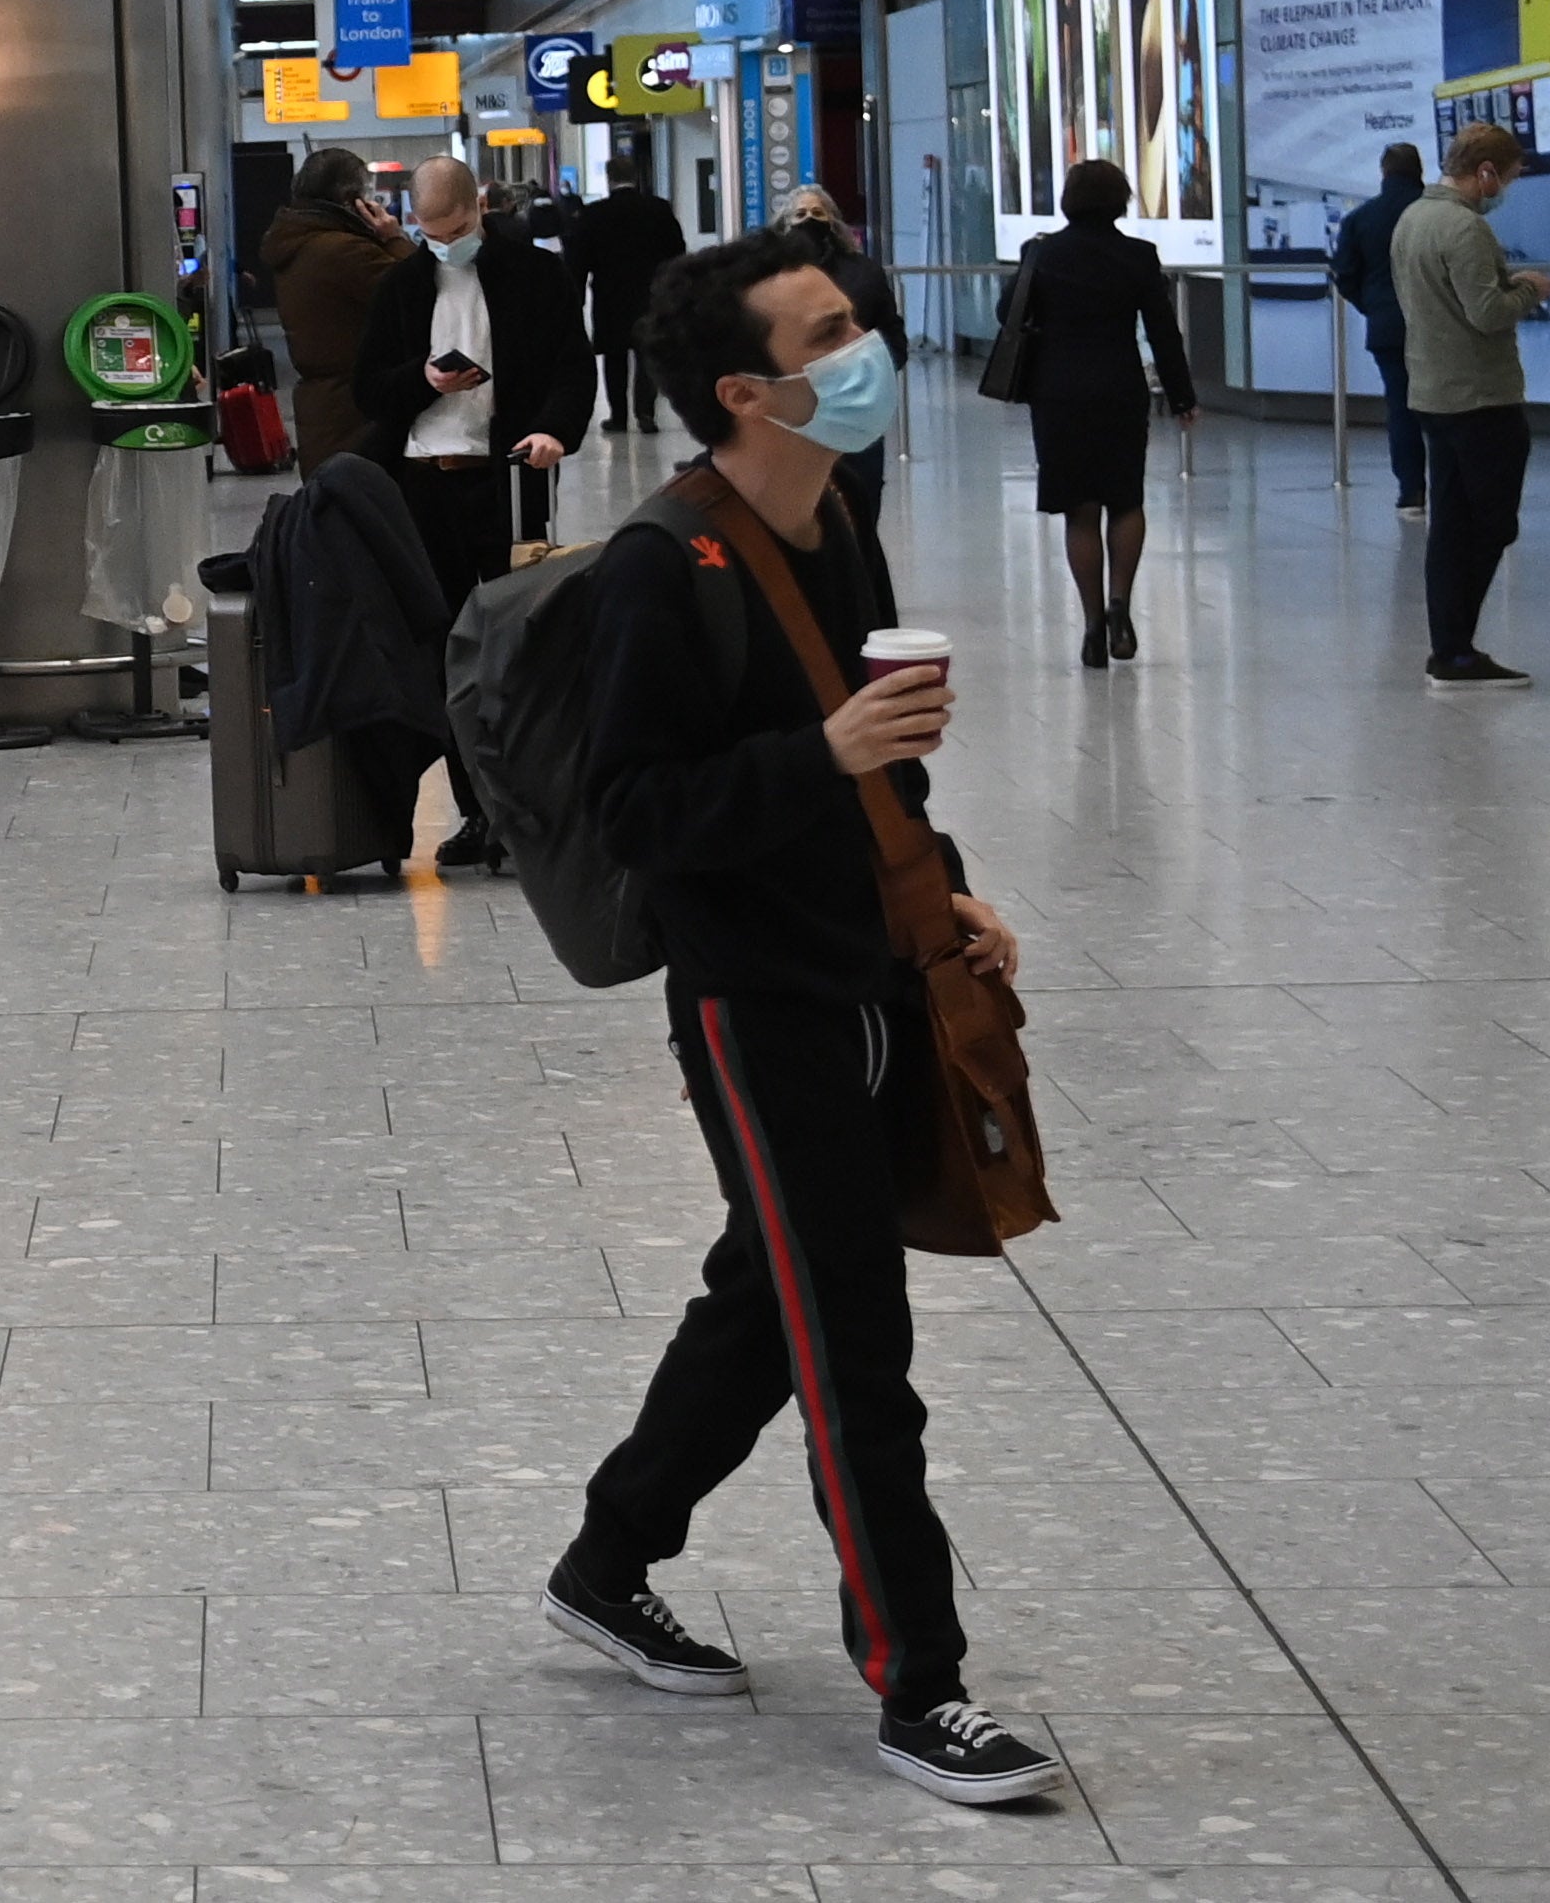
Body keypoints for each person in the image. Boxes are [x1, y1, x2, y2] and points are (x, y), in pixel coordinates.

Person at [543, 222, 1063, 1811]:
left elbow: (881, 760)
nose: (868, 349)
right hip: (756, 1005)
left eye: (860, 321)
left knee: (768, 1299)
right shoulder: (658, 566)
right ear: (744, 390)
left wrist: (943, 882)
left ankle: (606, 1554)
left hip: (877, 966)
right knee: (852, 1332)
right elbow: (634, 810)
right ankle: (924, 1681)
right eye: (830, 331)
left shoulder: (837, 521)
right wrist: (819, 757)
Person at [351, 156, 591, 869]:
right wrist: (422, 380)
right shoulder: (399, 285)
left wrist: (554, 430)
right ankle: (476, 810)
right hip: (426, 485)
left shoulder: (534, 276)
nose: (444, 242)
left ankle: (527, 807)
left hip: (509, 478)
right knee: (451, 653)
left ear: (479, 210)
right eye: (430, 231)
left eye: (455, 228)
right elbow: (369, 389)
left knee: (519, 648)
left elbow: (572, 367)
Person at [1008, 159, 1197, 668]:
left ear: (1069, 199)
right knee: (1126, 499)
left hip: (1059, 393)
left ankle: (1092, 626)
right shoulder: (1138, 256)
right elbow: (1162, 331)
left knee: (1080, 508)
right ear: (1121, 199)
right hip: (1120, 389)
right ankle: (1121, 607)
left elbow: (1009, 314)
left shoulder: (1043, 254)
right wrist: (1182, 397)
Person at [1390, 122, 1550, 689]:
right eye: (1506, 177)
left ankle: (1450, 649)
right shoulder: (1466, 229)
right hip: (1482, 399)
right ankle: (1457, 648)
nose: (1505, 187)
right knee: (1491, 523)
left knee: (1450, 525)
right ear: (1484, 172)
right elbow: (1486, 313)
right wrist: (1532, 288)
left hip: (1433, 394)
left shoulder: (1412, 219)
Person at [262, 143, 409, 471]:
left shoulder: (298, 242)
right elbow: (413, 291)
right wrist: (394, 238)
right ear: (351, 200)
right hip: (357, 414)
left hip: (322, 411)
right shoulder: (343, 251)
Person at [777, 184, 907, 536]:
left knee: (861, 505)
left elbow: (893, 335)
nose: (809, 221)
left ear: (833, 222)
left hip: (855, 403)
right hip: (797, 409)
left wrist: (876, 370)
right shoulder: (772, 278)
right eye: (800, 214)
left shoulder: (863, 273)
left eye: (818, 213)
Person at [1325, 142, 1428, 512]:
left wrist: (1374, 306)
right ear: (1420, 171)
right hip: (1439, 328)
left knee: (1401, 406)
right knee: (1448, 409)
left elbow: (1345, 275)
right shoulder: (1440, 214)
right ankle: (1454, 490)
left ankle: (1412, 491)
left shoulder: (1360, 219)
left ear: (1383, 173)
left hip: (1388, 328)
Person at [565, 153, 688, 434]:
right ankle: (645, 413)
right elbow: (677, 252)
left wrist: (577, 298)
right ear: (636, 177)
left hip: (610, 296)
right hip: (651, 293)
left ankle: (618, 415)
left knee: (614, 356)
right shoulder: (658, 209)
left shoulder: (593, 214)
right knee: (647, 353)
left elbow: (578, 260)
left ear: (608, 179)